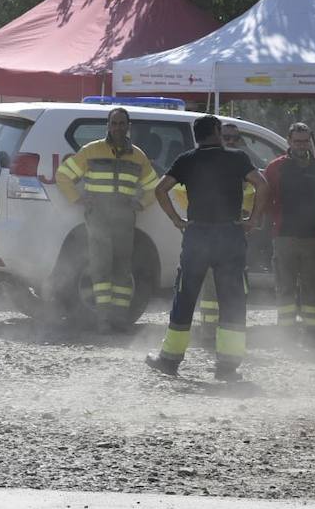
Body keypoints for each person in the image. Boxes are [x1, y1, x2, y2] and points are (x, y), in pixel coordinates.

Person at [146, 114, 269, 380]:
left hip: (197, 234)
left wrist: (178, 220)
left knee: (186, 296)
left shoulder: (186, 160)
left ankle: (169, 360)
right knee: (232, 299)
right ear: (215, 131)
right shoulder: (237, 158)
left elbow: (160, 190)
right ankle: (227, 366)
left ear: (196, 135)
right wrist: (254, 220)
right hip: (230, 234)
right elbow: (261, 184)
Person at [54, 107, 160, 327]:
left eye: (122, 124)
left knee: (122, 268)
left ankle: (119, 319)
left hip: (124, 217)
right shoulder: (91, 151)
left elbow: (154, 187)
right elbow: (63, 176)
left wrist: (140, 203)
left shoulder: (138, 156)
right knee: (101, 267)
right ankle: (103, 319)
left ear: (128, 126)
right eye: (114, 123)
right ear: (108, 126)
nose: (118, 128)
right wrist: (78, 199)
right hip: (98, 217)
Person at [259, 122, 315, 332]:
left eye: (305, 141)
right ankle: (287, 331)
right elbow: (265, 198)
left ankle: (312, 331)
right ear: (289, 141)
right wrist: (276, 217)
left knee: (312, 286)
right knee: (285, 286)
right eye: (297, 141)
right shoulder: (276, 167)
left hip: (312, 238)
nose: (302, 145)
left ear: (310, 141)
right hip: (284, 237)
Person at [194, 122, 257, 346]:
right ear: (218, 137)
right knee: (211, 283)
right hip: (207, 232)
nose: (229, 141)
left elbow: (254, 189)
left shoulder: (240, 163)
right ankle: (209, 333)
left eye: (234, 138)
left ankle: (230, 332)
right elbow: (182, 190)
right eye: (226, 136)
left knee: (235, 283)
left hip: (234, 232)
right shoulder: (206, 161)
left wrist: (247, 214)